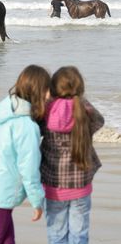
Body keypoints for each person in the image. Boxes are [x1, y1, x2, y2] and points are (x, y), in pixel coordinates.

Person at [0, 64, 51, 244]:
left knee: (6, 237)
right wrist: (37, 201)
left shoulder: (2, 111)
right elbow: (29, 169)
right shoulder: (27, 126)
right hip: (3, 187)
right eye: (48, 89)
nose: (50, 95)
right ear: (39, 91)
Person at [40, 66, 104, 244]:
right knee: (79, 235)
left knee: (56, 234)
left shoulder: (47, 110)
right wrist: (81, 101)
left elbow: (36, 127)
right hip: (81, 187)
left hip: (54, 187)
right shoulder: (83, 108)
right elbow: (100, 121)